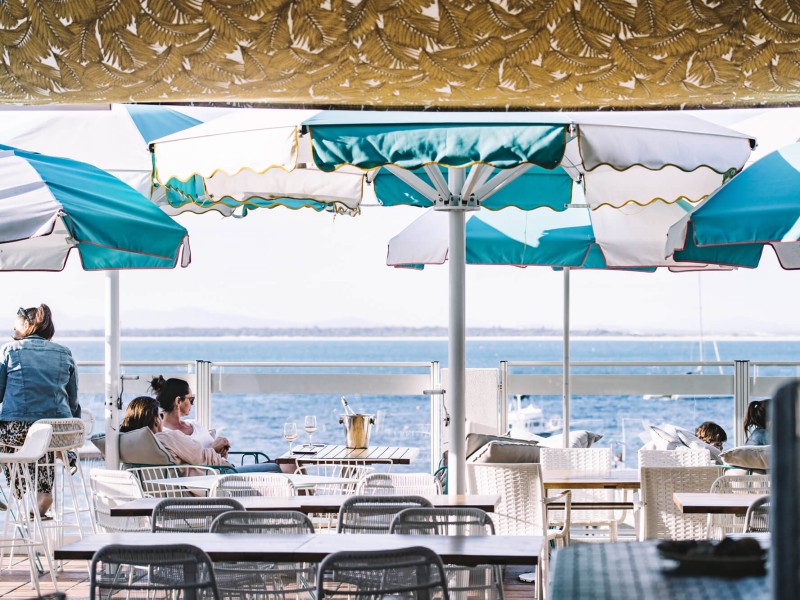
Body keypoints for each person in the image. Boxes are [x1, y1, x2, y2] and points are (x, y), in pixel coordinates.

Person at [0, 304, 80, 516]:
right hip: (58, 432)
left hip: (17, 431)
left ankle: (16, 487)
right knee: (44, 444)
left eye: (16, 328)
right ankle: (43, 494)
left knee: (16, 437)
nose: (14, 333)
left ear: (27, 325)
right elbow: (73, 402)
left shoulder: (10, 350)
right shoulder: (65, 353)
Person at [120, 396, 280, 472]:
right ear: (155, 420)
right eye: (160, 415)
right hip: (212, 484)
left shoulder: (130, 444)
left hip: (163, 496)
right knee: (275, 468)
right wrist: (225, 462)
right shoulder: (166, 438)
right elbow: (205, 459)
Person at [149, 375, 230, 455]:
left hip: (222, 466)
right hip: (209, 468)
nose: (192, 404)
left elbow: (216, 450)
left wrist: (222, 447)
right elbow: (189, 462)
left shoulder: (194, 424)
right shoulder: (166, 435)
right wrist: (213, 448)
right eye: (191, 399)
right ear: (178, 401)